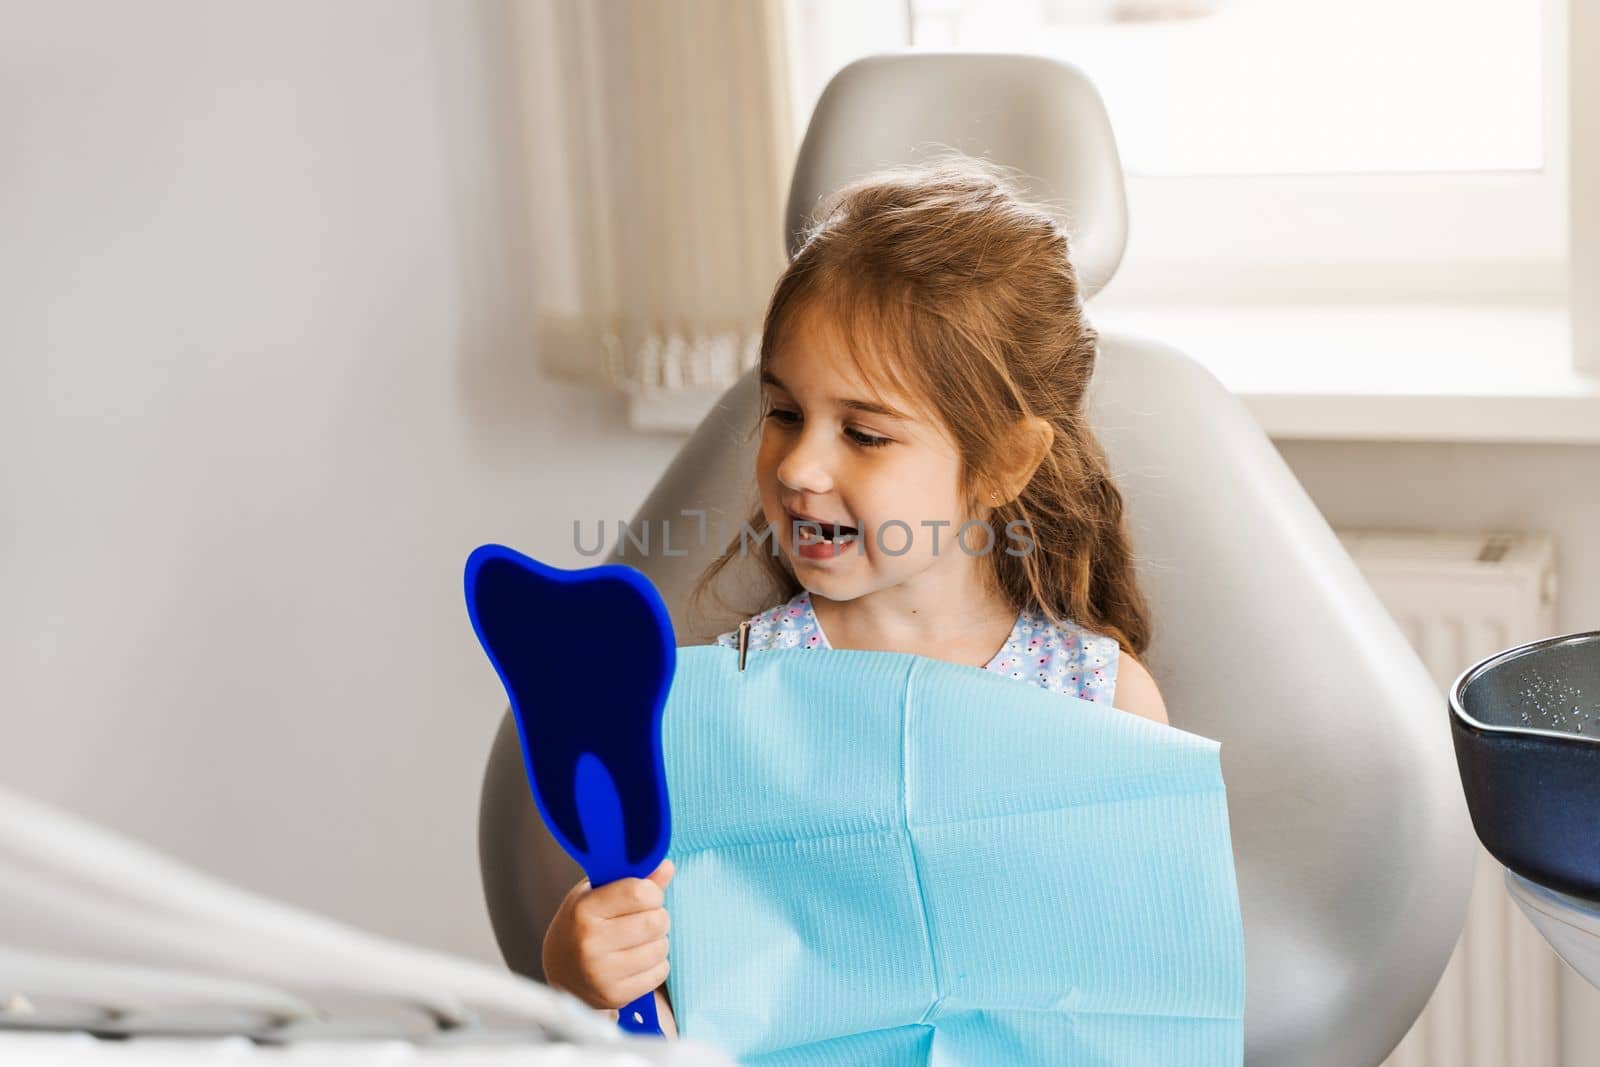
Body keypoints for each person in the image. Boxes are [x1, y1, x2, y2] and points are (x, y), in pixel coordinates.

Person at [541, 155, 1168, 1038]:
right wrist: (586, 965)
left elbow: (1142, 991)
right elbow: (679, 991)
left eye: (864, 432)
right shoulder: (729, 710)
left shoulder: (1101, 707)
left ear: (1004, 462)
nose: (798, 466)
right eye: (784, 413)